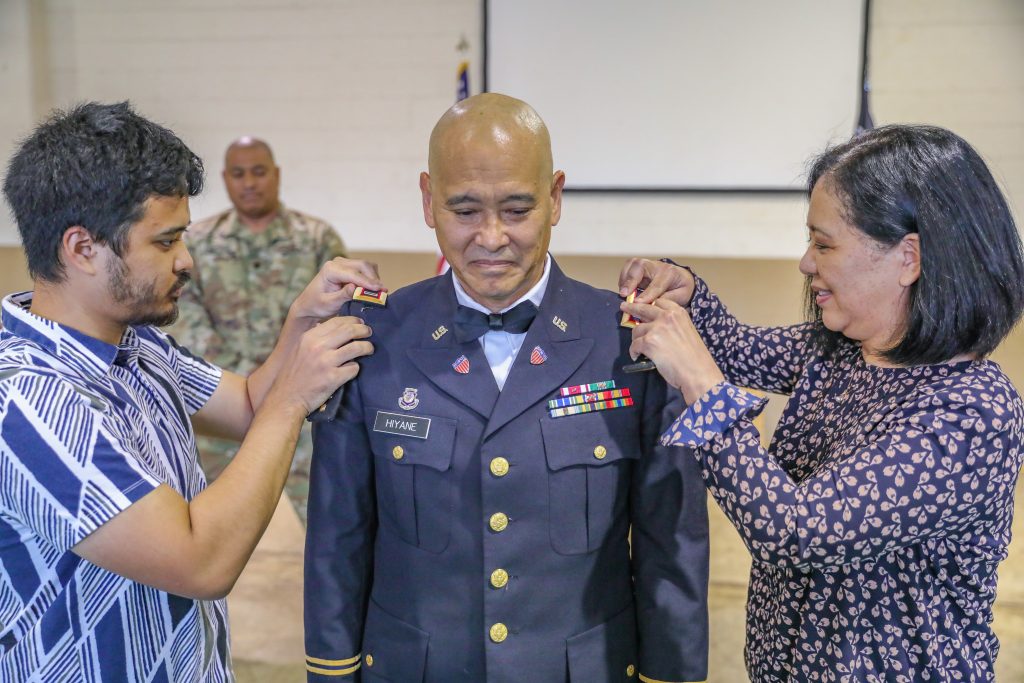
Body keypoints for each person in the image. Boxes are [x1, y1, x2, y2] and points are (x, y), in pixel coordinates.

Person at [304, 93, 709, 683]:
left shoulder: (631, 344)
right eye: (464, 210)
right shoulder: (375, 338)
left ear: (555, 197)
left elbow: (670, 544)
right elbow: (337, 540)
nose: (491, 239)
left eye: (517, 210)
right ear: (427, 200)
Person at [620, 124, 1024, 682]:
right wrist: (689, 291)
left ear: (909, 257)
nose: (806, 263)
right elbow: (740, 351)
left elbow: (798, 532)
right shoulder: (845, 351)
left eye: (825, 243)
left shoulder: (969, 413)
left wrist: (702, 388)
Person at [0, 102, 380, 681]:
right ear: (81, 249)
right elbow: (201, 560)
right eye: (164, 242)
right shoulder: (30, 400)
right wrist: (294, 398)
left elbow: (249, 404)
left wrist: (302, 318)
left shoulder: (134, 343)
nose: (187, 261)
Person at [169, 137, 347, 525]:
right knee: (204, 523)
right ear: (226, 180)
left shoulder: (316, 238)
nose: (249, 182)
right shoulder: (197, 241)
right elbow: (187, 318)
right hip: (223, 400)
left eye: (259, 171)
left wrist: (290, 378)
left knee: (329, 515)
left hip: (305, 403)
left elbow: (339, 312)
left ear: (276, 175)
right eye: (238, 173)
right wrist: (247, 383)